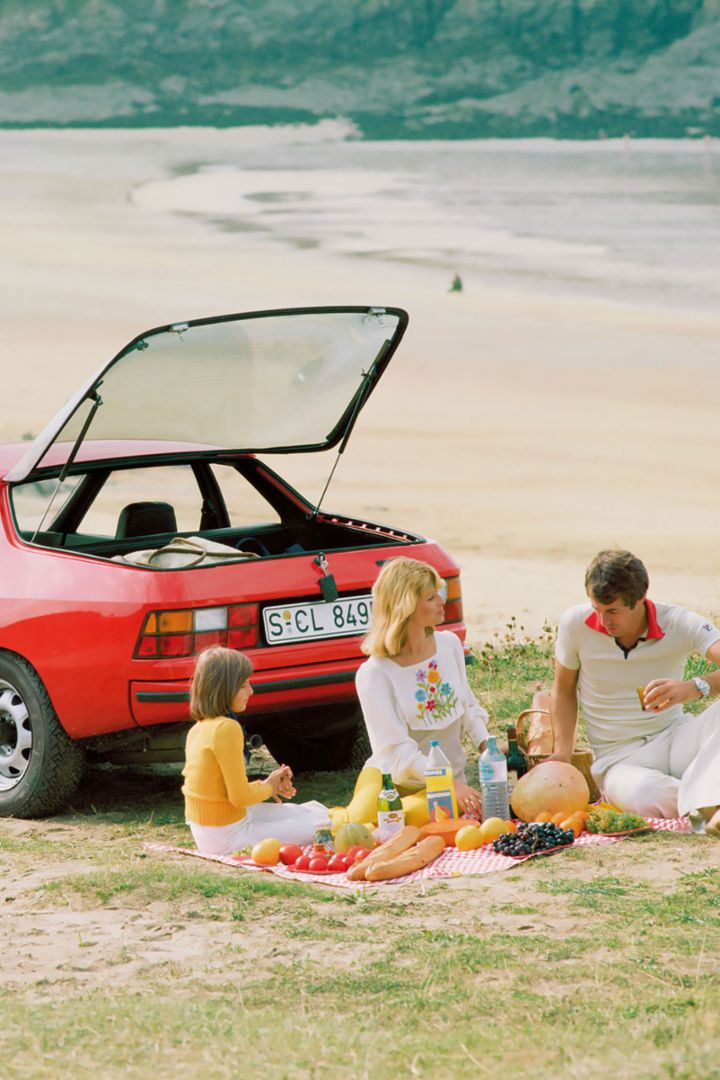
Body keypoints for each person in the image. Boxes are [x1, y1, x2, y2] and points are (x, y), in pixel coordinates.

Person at [549, 549, 720, 834]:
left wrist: (694, 687)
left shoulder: (677, 621)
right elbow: (563, 690)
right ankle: (708, 801)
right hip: (619, 759)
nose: (603, 622)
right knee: (644, 793)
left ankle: (704, 799)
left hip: (676, 738)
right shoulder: (574, 625)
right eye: (596, 610)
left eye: (613, 611)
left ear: (640, 599)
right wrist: (562, 755)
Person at [333, 557, 488, 829]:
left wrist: (487, 745)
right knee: (354, 824)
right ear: (406, 608)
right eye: (431, 597)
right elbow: (395, 752)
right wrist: (448, 783)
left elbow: (469, 708)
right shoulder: (374, 674)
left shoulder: (449, 645)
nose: (442, 601)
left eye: (439, 592)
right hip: (388, 777)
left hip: (443, 783)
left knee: (396, 822)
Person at [182, 646, 331, 855]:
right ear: (224, 689)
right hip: (228, 836)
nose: (251, 691)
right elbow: (240, 797)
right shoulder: (227, 728)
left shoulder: (198, 728)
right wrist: (269, 787)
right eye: (244, 685)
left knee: (315, 810)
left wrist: (268, 784)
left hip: (215, 828)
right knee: (324, 823)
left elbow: (228, 792)